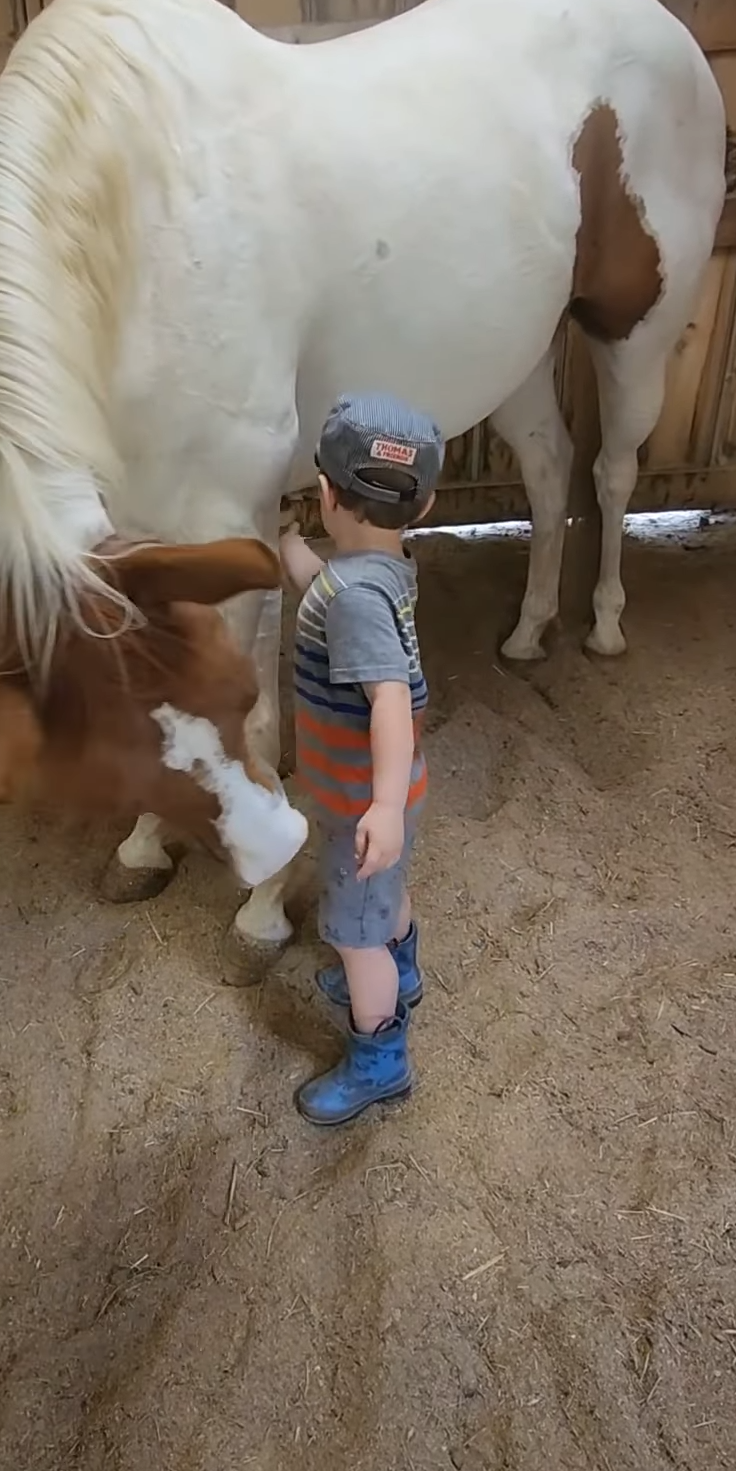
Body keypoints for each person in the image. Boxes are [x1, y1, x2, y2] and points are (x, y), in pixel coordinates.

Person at [279, 392, 444, 1126]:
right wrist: (284, 543)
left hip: (362, 800)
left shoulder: (355, 601)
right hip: (379, 794)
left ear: (325, 493)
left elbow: (386, 699)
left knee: (355, 934)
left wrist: (378, 807)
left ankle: (381, 1060)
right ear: (428, 504)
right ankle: (402, 970)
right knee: (385, 896)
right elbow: (325, 589)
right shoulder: (379, 573)